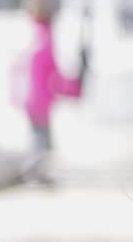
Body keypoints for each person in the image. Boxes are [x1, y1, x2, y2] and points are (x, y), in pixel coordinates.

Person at [18, 11, 85, 186]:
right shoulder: (47, 44)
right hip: (40, 100)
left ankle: (38, 171)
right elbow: (54, 75)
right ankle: (36, 171)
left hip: (30, 98)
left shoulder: (33, 40)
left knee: (38, 135)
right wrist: (72, 88)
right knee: (41, 137)